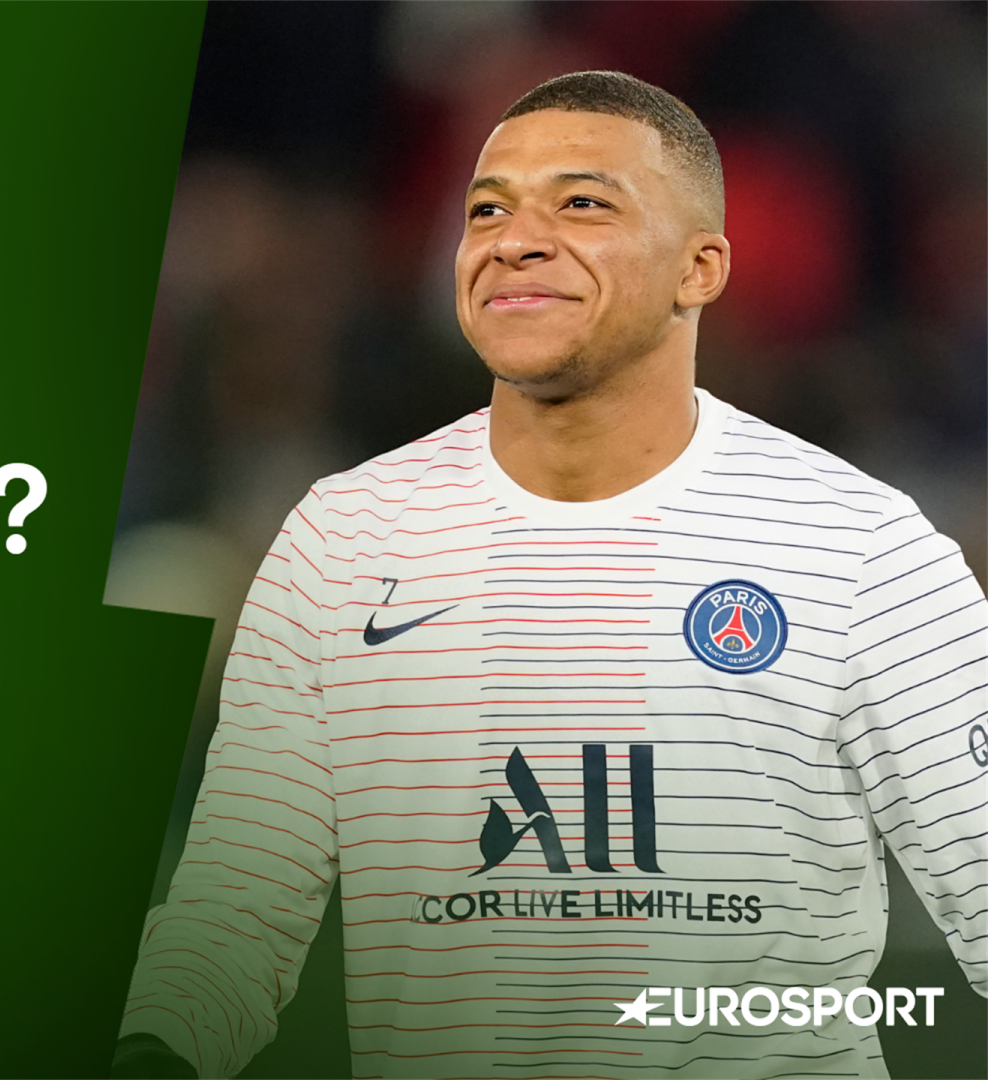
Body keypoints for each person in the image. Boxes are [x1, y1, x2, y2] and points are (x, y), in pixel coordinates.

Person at [114, 70, 987, 1080]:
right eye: (487, 210)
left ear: (699, 268)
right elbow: (236, 913)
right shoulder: (343, 536)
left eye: (582, 204)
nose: (515, 240)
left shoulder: (861, 545)